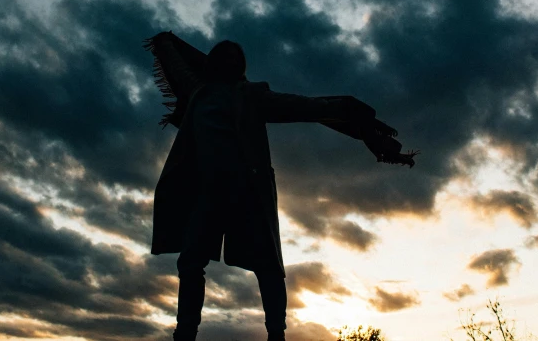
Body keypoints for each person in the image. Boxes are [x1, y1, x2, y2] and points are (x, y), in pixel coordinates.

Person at [148, 37, 415, 341]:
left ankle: (277, 334)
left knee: (268, 266)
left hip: (246, 191)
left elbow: (301, 106)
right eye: (226, 57)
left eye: (236, 57)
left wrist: (342, 106)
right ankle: (185, 333)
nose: (231, 61)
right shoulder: (198, 95)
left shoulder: (251, 95)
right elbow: (180, 68)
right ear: (213, 64)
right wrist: (165, 42)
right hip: (206, 194)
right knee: (191, 262)